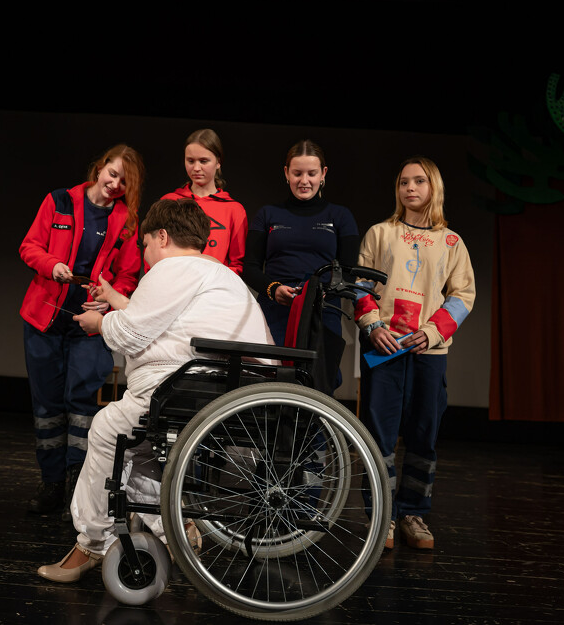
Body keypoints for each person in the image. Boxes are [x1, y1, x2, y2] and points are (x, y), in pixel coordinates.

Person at [36, 199, 273, 583]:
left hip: (190, 389)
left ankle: (91, 545)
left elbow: (131, 334)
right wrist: (115, 301)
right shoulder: (221, 275)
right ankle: (173, 533)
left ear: (162, 237)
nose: (145, 255)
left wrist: (101, 322)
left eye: (145, 245)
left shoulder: (172, 268)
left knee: (107, 430)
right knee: (142, 455)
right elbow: (164, 321)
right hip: (233, 390)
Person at [355, 156, 475, 551]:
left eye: (419, 181)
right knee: (380, 435)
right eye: (404, 181)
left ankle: (412, 513)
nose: (410, 188)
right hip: (385, 347)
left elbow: (463, 295)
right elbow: (360, 285)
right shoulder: (379, 233)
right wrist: (373, 325)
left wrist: (431, 332)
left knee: (424, 433)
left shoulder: (452, 242)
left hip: (428, 350)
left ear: (433, 187)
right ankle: (382, 518)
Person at [18, 144, 144, 515]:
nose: (115, 183)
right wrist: (51, 264)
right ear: (100, 167)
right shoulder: (59, 201)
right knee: (47, 406)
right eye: (113, 173)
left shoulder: (127, 221)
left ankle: (77, 484)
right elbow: (30, 246)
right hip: (44, 318)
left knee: (83, 406)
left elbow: (127, 274)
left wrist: (108, 300)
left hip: (89, 325)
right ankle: (51, 483)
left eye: (124, 180)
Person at [242, 139, 360, 350]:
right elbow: (250, 267)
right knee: (271, 376)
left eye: (311, 173)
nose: (304, 181)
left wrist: (322, 293)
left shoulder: (341, 216)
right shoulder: (267, 214)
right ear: (286, 173)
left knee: (318, 380)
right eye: (297, 173)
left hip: (324, 309)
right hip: (275, 308)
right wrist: (274, 289)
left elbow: (348, 271)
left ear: (323, 173)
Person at [158, 128, 247, 274]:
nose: (196, 168)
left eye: (203, 161)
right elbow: (154, 251)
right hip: (174, 286)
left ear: (218, 162)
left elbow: (237, 264)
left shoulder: (234, 209)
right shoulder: (169, 202)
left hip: (214, 290)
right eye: (190, 161)